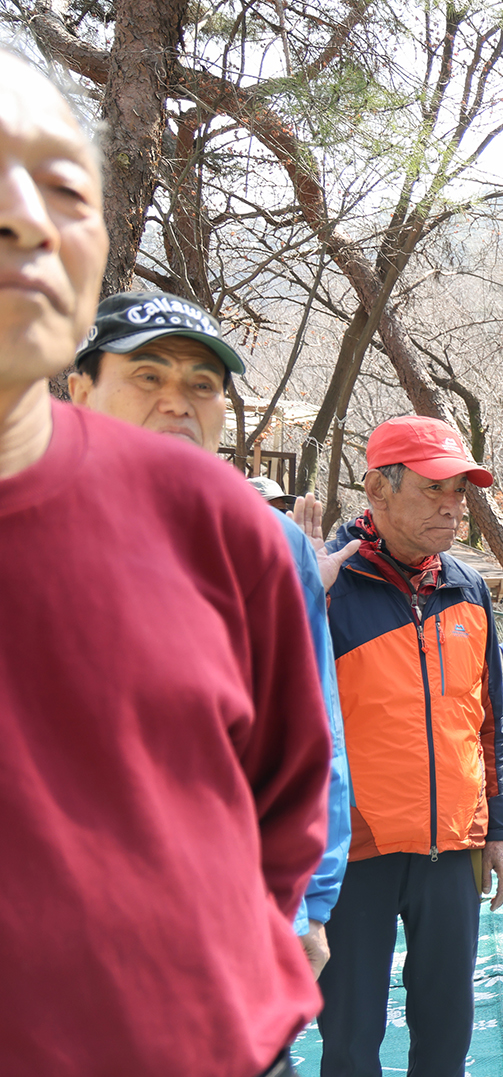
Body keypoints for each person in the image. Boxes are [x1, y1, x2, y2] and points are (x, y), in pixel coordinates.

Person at [0, 60, 337, 1077]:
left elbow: (287, 793)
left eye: (65, 186)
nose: (28, 215)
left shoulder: (211, 521)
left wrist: (210, 979)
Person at [68, 287, 351, 975]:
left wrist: (308, 901)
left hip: (223, 908)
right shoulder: (31, 521)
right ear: (80, 389)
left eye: (202, 383)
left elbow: (311, 733)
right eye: (147, 376)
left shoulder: (268, 545)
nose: (177, 400)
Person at [318, 415, 503, 1077]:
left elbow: (489, 722)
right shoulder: (325, 587)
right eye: (433, 489)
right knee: (350, 1022)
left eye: (459, 493)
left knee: (448, 1009)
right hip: (355, 849)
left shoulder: (467, 589)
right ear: (378, 487)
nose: (451, 508)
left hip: (451, 842)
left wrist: (500, 828)